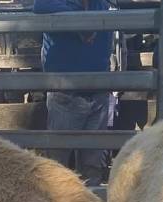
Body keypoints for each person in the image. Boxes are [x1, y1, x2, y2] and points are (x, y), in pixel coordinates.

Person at [34, 0, 114, 186]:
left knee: (92, 163)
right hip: (66, 95)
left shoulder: (100, 3)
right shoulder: (56, 3)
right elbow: (40, 6)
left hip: (98, 92)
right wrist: (79, 20)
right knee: (58, 163)